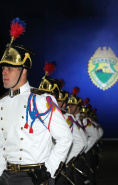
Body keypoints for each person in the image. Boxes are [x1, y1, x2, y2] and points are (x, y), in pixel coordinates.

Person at [0, 18, 72, 185]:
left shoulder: (41, 100)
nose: (4, 73)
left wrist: (48, 171)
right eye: (3, 68)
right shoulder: (2, 103)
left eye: (10, 68)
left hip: (33, 177)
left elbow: (65, 138)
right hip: (6, 176)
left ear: (23, 71)